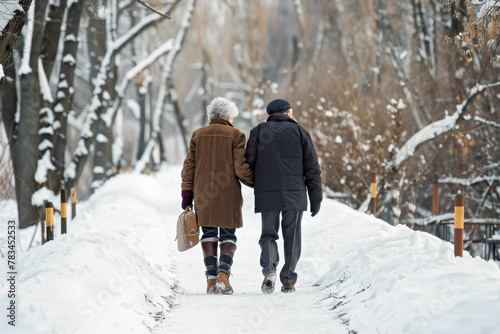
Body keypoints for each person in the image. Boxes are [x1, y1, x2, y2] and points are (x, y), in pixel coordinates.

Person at [245, 98, 322, 293]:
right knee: (292, 235)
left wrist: (258, 184)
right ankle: (288, 280)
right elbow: (312, 168)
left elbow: (248, 164)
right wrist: (316, 197)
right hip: (295, 193)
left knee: (269, 234)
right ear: (288, 112)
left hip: (267, 192)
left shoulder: (258, 132)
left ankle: (269, 268)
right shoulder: (300, 132)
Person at [181, 97, 253, 295]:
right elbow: (241, 168)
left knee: (208, 234)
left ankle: (211, 279)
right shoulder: (236, 135)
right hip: (228, 193)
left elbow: (189, 166)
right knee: (228, 235)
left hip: (203, 194)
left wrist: (187, 194)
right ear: (229, 117)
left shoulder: (198, 134)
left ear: (211, 116)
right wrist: (257, 182)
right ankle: (223, 274)